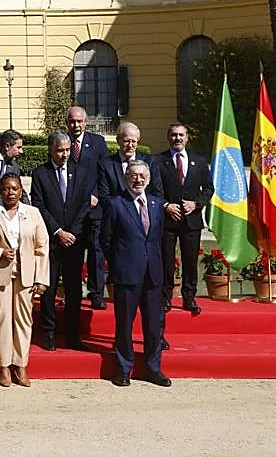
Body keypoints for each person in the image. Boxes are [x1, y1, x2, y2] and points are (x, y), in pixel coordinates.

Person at [0, 174, 49, 387]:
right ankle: (3, 366)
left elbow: (42, 247)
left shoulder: (32, 213)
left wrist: (41, 278)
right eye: (6, 189)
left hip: (26, 276)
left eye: (14, 189)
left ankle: (20, 365)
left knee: (24, 321)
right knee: (2, 321)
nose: (11, 193)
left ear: (21, 191)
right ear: (0, 190)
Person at [102, 161, 170, 387]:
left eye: (142, 176)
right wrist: (118, 265)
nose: (138, 179)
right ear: (126, 179)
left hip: (153, 275)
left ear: (148, 179)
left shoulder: (157, 204)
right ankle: (123, 369)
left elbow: (158, 238)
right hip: (127, 274)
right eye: (133, 176)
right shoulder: (115, 204)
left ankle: (153, 368)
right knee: (124, 325)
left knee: (153, 326)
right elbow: (106, 240)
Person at [30, 130, 95, 351]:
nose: (64, 154)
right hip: (51, 240)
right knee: (48, 289)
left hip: (74, 241)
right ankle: (48, 333)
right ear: (51, 150)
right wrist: (58, 231)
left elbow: (85, 205)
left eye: (67, 150)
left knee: (74, 289)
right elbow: (39, 205)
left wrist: (73, 232)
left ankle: (73, 335)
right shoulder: (40, 174)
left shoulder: (82, 172)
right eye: (60, 150)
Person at [155, 122, 214, 314]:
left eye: (181, 135)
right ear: (168, 137)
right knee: (166, 260)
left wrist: (196, 204)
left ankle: (189, 298)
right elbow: (152, 190)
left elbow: (208, 188)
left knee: (190, 261)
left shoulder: (199, 161)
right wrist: (165, 206)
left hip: (191, 220)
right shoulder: (157, 161)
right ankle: (165, 298)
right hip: (167, 220)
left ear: (187, 138)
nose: (177, 138)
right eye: (173, 135)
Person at [66, 106, 109, 310]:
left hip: (93, 209)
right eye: (72, 121)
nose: (76, 125)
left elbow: (104, 172)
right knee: (72, 254)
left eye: (79, 121)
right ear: (67, 122)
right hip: (71, 211)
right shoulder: (61, 141)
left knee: (95, 251)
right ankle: (71, 292)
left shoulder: (98, 142)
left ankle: (96, 293)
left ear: (85, 122)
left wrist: (96, 195)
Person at [95, 122, 159, 202]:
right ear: (118, 140)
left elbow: (157, 192)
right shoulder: (106, 164)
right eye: (126, 141)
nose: (130, 145)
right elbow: (104, 196)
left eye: (133, 141)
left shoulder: (150, 161)